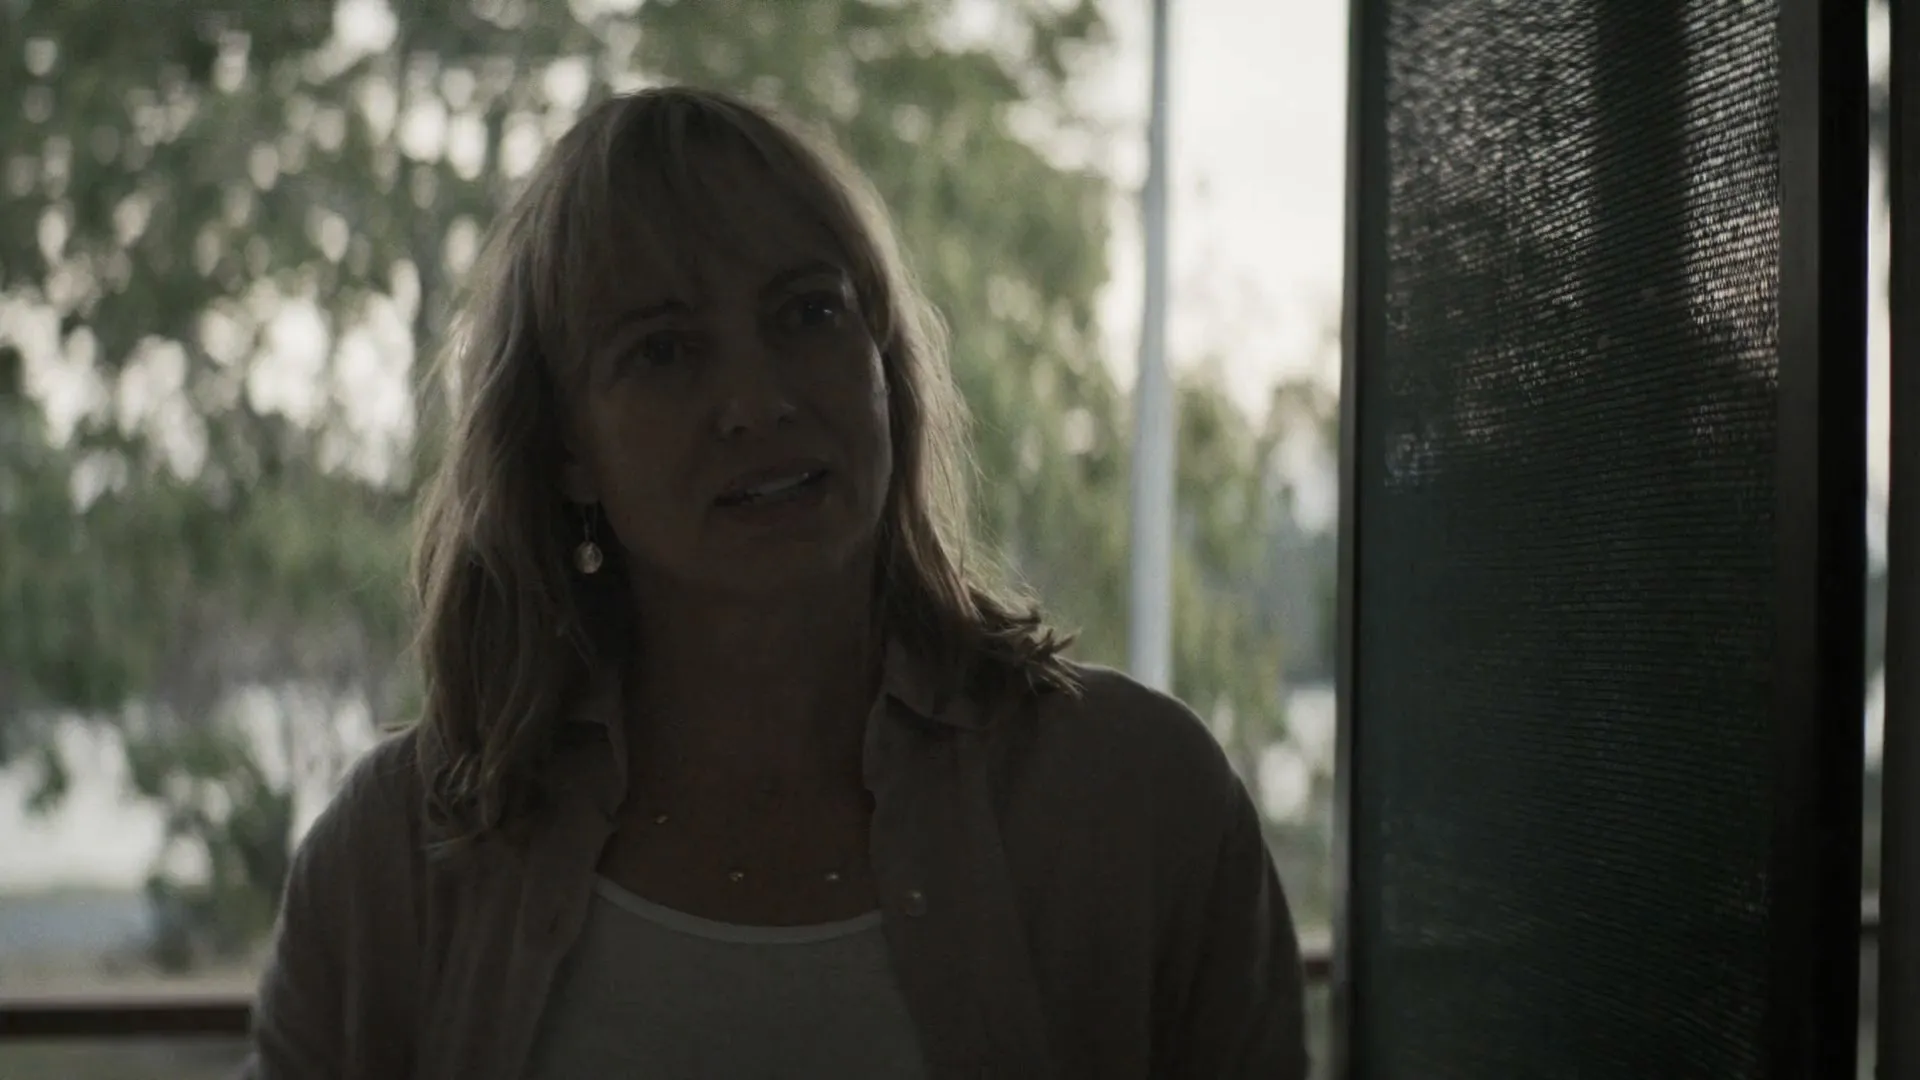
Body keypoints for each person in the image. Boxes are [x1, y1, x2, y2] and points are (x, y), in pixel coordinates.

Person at [243, 85, 1308, 1079]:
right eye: (665, 352)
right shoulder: (397, 864)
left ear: (885, 363)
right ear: (566, 449)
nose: (756, 402)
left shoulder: (1138, 806)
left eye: (807, 313)